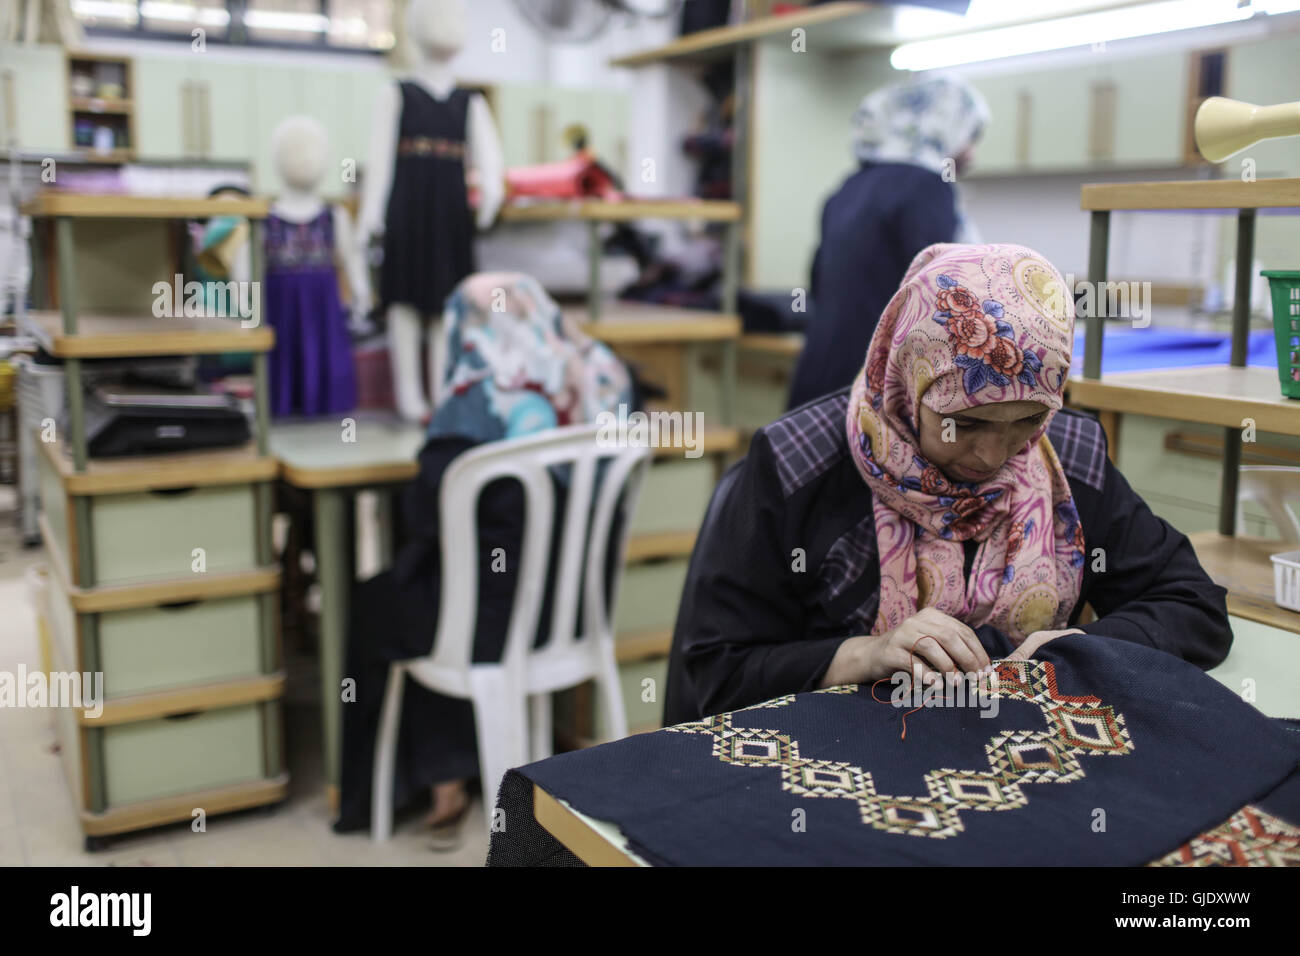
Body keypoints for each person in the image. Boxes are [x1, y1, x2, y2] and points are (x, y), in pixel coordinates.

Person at [668, 242, 1232, 723]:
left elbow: (1192, 605)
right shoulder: (798, 465)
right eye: (966, 421)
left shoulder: (1069, 457)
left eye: (1029, 421)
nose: (993, 455)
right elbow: (716, 675)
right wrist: (868, 655)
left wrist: (1076, 649)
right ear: (910, 383)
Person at [334, 272, 632, 847]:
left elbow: (423, 518)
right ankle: (457, 772)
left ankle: (401, 789)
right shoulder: (598, 381)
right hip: (568, 616)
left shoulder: (471, 407)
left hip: (494, 629)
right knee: (446, 582)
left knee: (388, 595)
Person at [787, 74, 989, 410]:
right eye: (970, 135)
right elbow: (943, 294)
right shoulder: (926, 187)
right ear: (942, 125)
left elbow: (818, 283)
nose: (971, 153)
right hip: (876, 387)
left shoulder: (848, 186)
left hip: (821, 375)